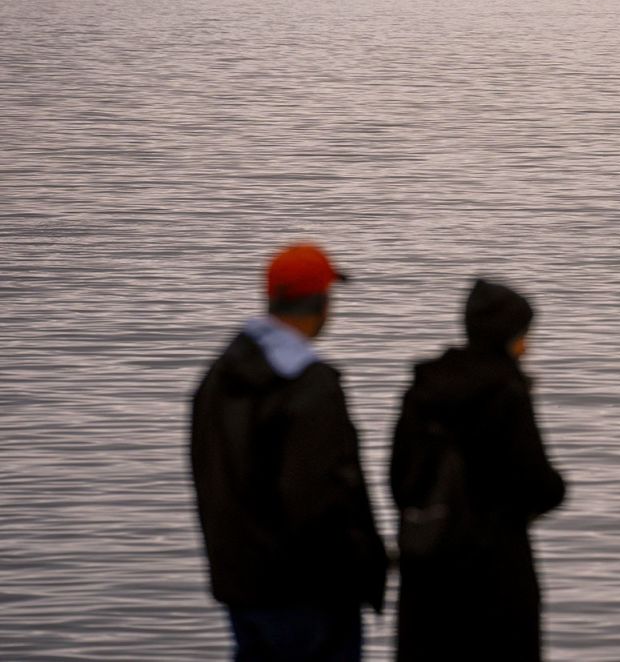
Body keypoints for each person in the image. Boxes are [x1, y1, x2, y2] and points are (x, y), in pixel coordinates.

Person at [190, 243, 387, 661]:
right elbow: (319, 497)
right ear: (323, 302)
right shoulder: (309, 386)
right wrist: (363, 561)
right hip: (308, 591)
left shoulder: (219, 376)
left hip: (240, 579)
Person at [390, 278, 566, 661]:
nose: (527, 346)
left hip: (428, 571)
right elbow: (538, 484)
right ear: (508, 337)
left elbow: (399, 482)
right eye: (523, 335)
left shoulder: (423, 388)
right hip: (495, 575)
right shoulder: (505, 393)